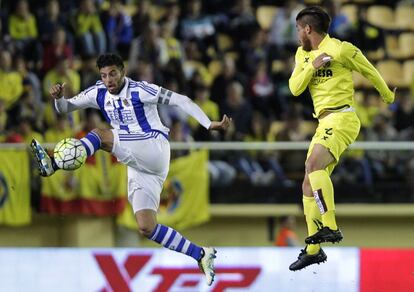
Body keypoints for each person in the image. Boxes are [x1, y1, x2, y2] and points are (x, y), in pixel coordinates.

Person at [30, 53, 231, 286]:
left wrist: (209, 123)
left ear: (123, 72)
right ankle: (201, 254)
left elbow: (181, 100)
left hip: (153, 146)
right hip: (138, 163)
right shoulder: (98, 92)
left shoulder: (140, 89)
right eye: (104, 75)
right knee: (146, 226)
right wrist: (58, 99)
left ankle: (53, 163)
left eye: (113, 73)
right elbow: (66, 108)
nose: (108, 80)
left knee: (100, 134)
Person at [288, 7, 396, 271]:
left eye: (298, 29)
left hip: (342, 118)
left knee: (314, 166)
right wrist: (312, 67)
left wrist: (388, 96)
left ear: (308, 29)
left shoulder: (341, 49)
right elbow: (294, 88)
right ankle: (314, 250)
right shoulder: (303, 54)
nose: (297, 34)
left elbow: (369, 70)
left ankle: (331, 226)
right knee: (307, 183)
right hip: (323, 122)